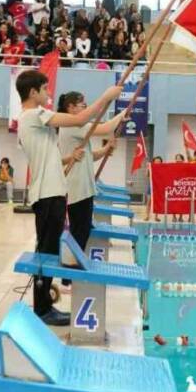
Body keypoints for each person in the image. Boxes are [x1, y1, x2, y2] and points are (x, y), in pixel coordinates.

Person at [15, 70, 121, 325]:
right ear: (33, 92)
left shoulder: (31, 120)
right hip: (48, 193)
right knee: (47, 253)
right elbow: (82, 118)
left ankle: (43, 305)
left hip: (52, 191)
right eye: (44, 89)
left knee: (49, 251)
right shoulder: (33, 114)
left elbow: (46, 155)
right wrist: (106, 97)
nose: (48, 93)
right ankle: (41, 309)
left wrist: (67, 158)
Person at [56, 92, 125, 281]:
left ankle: (72, 269)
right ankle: (69, 273)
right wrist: (123, 112)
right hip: (77, 188)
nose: (85, 108)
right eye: (82, 105)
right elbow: (104, 128)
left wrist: (105, 150)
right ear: (70, 107)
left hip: (85, 186)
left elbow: (89, 155)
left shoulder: (75, 127)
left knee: (83, 228)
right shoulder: (72, 124)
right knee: (80, 230)